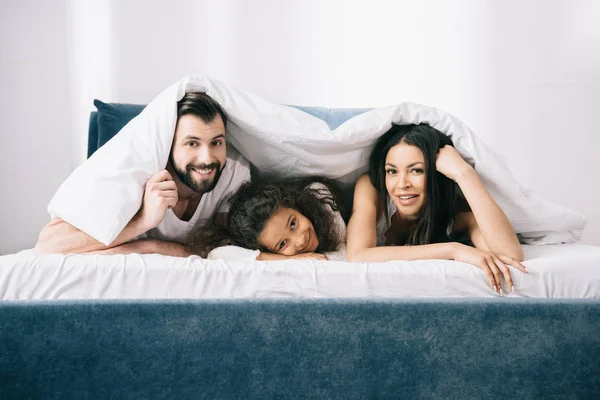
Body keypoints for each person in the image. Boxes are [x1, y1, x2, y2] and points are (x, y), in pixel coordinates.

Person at [35, 92, 251, 255]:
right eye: (192, 143)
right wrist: (142, 220)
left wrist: (148, 246)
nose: (207, 158)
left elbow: (222, 251)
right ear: (168, 145)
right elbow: (48, 245)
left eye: (216, 142)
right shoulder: (139, 174)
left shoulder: (234, 172)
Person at [346, 123, 527, 295]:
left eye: (416, 170)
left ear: (437, 173)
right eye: (392, 171)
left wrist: (464, 174)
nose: (401, 184)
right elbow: (358, 254)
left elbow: (509, 254)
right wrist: (453, 250)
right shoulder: (372, 188)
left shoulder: (456, 214)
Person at [187, 178, 346, 260]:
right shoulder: (280, 259)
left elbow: (347, 259)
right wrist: (290, 260)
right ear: (268, 250)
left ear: (294, 205)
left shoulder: (319, 196)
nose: (300, 240)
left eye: (293, 223)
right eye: (282, 244)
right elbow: (218, 255)